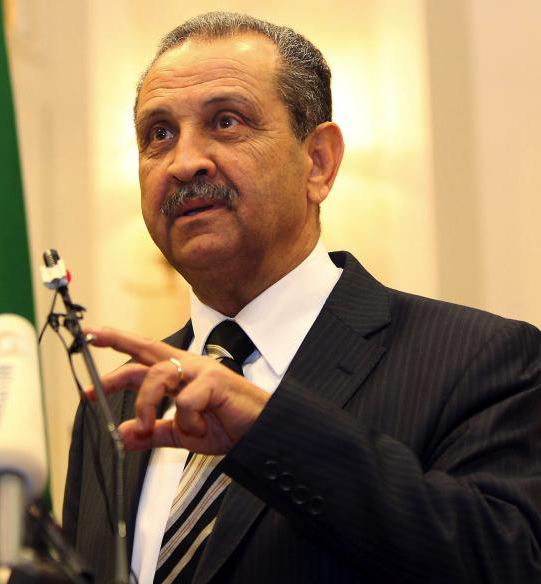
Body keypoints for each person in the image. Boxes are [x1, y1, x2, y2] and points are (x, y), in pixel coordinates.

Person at [62, 11, 541, 584]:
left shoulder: (479, 359)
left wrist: (271, 430)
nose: (185, 161)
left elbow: (507, 563)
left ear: (318, 162)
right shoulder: (115, 406)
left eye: (226, 122)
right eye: (159, 134)